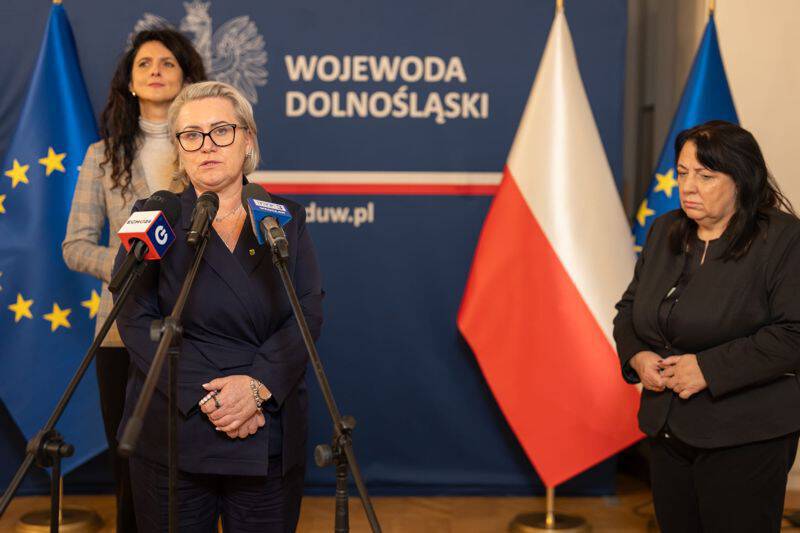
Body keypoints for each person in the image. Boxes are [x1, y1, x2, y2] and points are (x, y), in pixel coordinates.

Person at [115, 80, 323, 532]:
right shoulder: (155, 216)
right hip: (174, 429)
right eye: (191, 135)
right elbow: (133, 316)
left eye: (221, 131)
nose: (206, 145)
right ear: (179, 148)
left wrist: (255, 387)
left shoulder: (285, 218)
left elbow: (306, 312)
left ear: (247, 139)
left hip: (265, 425)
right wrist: (208, 395)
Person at [614, 120, 800, 533]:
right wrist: (637, 356)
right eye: (682, 173)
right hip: (667, 430)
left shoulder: (784, 239)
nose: (688, 187)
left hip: (746, 434)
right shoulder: (665, 229)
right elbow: (628, 310)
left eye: (706, 176)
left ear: (742, 179)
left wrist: (707, 369)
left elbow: (794, 333)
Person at [62, 29, 206, 532]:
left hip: (201, 325)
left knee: (195, 460)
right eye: (144, 63)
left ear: (187, 77)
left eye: (168, 62)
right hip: (121, 333)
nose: (156, 70)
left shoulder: (208, 146)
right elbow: (75, 245)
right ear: (129, 82)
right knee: (132, 468)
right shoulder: (102, 156)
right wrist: (132, 263)